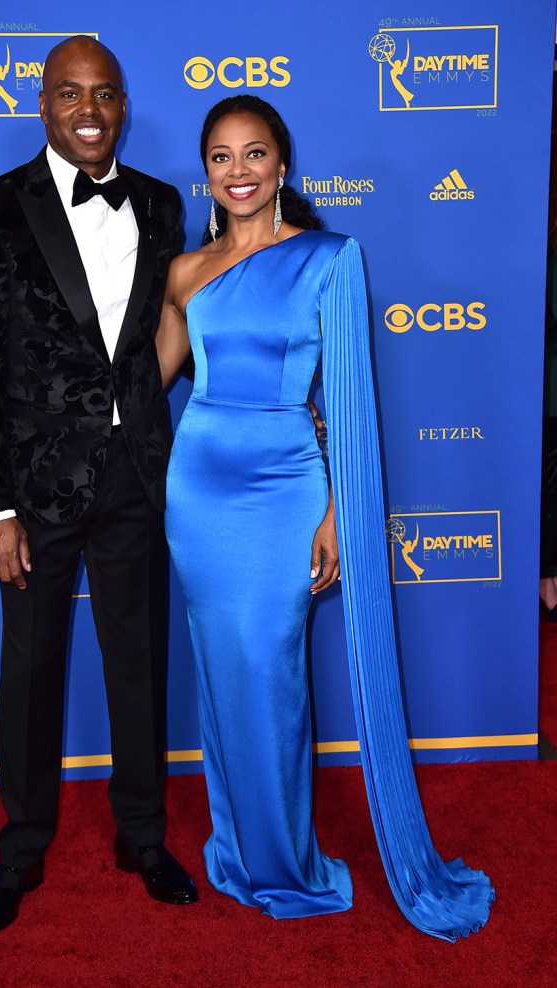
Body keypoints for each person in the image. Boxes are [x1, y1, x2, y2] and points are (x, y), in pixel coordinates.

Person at [155, 95, 494, 939]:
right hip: (198, 488)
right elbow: (143, 381)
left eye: (255, 153)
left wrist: (341, 510)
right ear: (207, 172)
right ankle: (238, 851)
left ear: (283, 166)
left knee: (272, 675)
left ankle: (289, 863)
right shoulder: (184, 273)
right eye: (222, 156)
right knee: (222, 670)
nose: (238, 171)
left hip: (285, 490)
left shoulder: (331, 259)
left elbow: (346, 403)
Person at [0, 35, 197, 938]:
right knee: (31, 672)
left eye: (104, 94)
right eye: (69, 94)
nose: (88, 110)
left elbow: (174, 329)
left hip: (136, 479)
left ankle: (142, 837)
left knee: (139, 664)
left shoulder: (166, 206)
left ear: (124, 105)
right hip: (32, 489)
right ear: (42, 104)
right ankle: (20, 854)